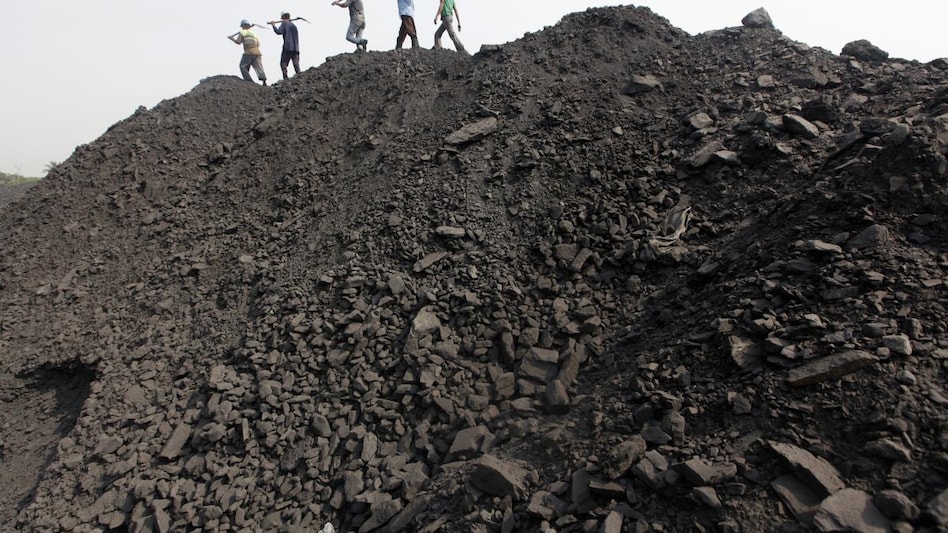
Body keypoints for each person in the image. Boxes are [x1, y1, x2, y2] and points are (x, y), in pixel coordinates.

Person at [227, 20, 267, 86]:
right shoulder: (254, 33)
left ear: (243, 26)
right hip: (257, 52)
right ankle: (264, 81)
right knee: (259, 67)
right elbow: (258, 44)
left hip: (249, 52)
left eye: (242, 26)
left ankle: (248, 81)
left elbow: (238, 42)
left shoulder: (242, 32)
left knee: (243, 66)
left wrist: (232, 38)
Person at [269, 12, 301, 80]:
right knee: (296, 64)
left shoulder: (284, 23)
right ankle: (300, 77)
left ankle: (285, 78)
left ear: (283, 18)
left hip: (287, 47)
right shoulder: (294, 26)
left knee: (283, 63)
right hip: (296, 48)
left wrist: (273, 25)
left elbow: (279, 32)